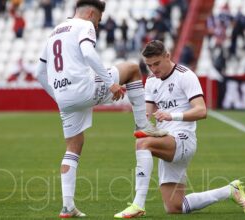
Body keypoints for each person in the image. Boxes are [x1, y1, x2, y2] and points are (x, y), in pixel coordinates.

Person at [34, 1, 167, 218]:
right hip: (83, 87)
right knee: (133, 69)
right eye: (98, 20)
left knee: (73, 145)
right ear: (90, 13)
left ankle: (68, 207)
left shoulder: (54, 32)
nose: (97, 25)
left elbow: (39, 71)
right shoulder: (84, 25)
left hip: (64, 96)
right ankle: (143, 126)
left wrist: (58, 98)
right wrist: (109, 83)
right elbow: (88, 53)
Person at [114, 40, 245, 218]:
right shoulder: (151, 81)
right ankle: (230, 190)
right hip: (166, 140)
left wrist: (173, 116)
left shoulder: (185, 76)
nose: (153, 69)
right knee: (175, 206)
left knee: (143, 144)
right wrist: (139, 117)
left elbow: (202, 110)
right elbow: (146, 116)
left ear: (167, 56)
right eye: (149, 65)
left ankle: (137, 204)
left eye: (157, 63)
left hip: (183, 139)